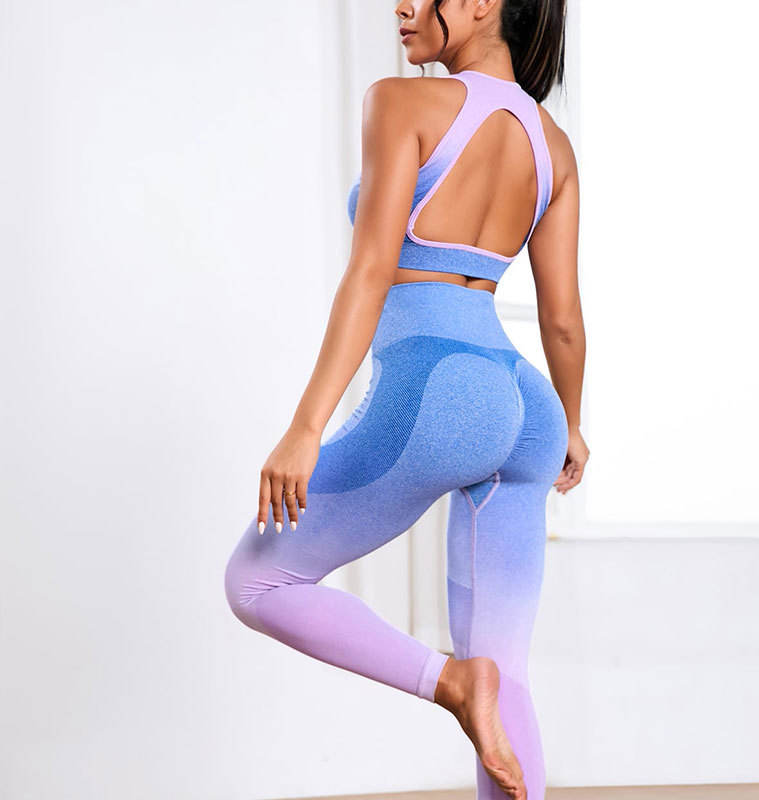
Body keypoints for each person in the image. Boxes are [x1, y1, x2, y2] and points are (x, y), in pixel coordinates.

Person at [224, 0, 588, 797]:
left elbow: (369, 272)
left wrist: (306, 426)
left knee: (256, 582)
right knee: (507, 672)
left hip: (439, 389)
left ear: (484, 4)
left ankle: (449, 682)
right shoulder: (552, 144)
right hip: (524, 404)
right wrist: (571, 423)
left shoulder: (401, 102)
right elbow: (561, 317)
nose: (403, 4)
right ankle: (474, 685)